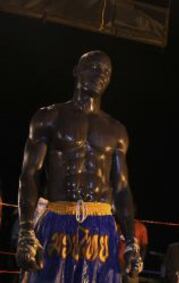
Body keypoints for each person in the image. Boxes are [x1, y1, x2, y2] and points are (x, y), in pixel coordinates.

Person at [16, 50, 142, 282]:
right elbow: (30, 174)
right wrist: (26, 229)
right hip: (57, 219)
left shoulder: (117, 130)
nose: (100, 74)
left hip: (101, 225)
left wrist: (131, 240)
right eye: (93, 67)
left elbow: (122, 188)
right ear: (76, 71)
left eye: (106, 71)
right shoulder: (49, 116)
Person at [118, 205, 148, 283]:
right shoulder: (119, 226)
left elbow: (144, 248)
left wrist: (137, 266)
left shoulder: (141, 227)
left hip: (131, 267)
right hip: (117, 266)